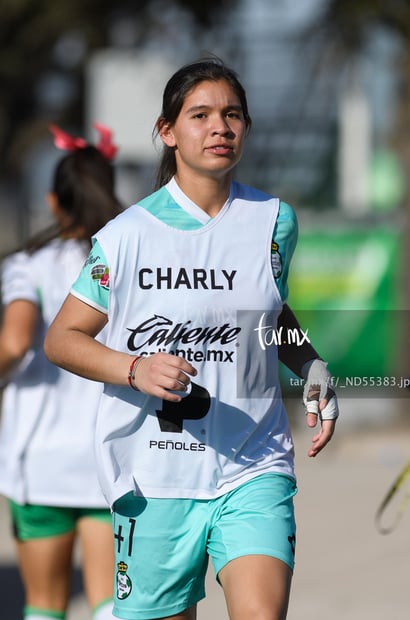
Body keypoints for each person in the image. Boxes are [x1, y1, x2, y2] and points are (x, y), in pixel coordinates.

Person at [44, 58, 339, 620]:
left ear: (246, 128)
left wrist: (313, 366)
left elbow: (268, 315)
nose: (219, 127)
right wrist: (134, 368)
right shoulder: (126, 236)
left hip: (254, 464)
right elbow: (63, 339)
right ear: (167, 131)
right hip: (155, 476)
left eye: (232, 115)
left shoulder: (275, 222)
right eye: (200, 115)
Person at [0, 123, 123, 620]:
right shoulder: (121, 259)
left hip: (40, 460)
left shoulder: (27, 265)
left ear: (54, 201)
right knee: (109, 604)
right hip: (106, 458)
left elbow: (13, 342)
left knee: (46, 605)